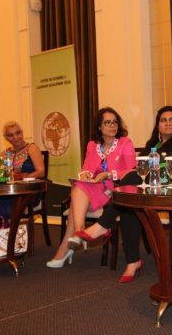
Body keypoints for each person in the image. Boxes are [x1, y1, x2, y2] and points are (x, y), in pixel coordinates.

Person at [67, 105, 172, 282]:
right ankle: (133, 261)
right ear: (157, 125)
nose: (167, 123)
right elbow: (138, 167)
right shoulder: (154, 144)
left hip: (170, 191)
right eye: (163, 120)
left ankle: (103, 226)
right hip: (149, 190)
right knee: (129, 205)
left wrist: (135, 173)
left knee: (131, 183)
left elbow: (167, 167)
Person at [46, 107, 136, 268]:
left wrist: (108, 174)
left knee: (76, 194)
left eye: (115, 122)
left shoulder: (125, 143)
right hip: (95, 187)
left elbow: (131, 171)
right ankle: (80, 231)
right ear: (99, 127)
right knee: (79, 183)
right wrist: (86, 174)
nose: (112, 125)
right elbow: (86, 167)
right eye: (107, 122)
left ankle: (70, 242)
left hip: (114, 189)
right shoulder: (92, 145)